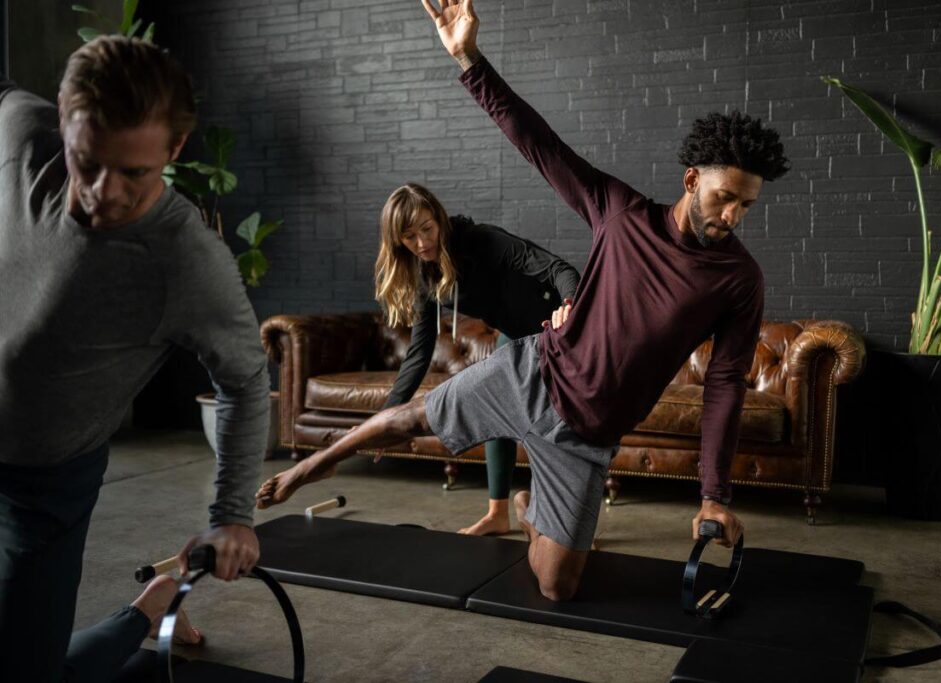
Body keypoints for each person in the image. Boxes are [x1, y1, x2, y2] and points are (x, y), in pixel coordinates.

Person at [256, 0, 789, 602]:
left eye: (746, 204)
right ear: (692, 179)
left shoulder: (739, 279)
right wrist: (469, 59)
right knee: (408, 419)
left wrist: (714, 495)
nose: (732, 215)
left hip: (589, 435)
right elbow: (540, 145)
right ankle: (307, 466)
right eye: (724, 197)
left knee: (556, 586)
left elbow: (724, 383)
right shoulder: (619, 212)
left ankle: (528, 501)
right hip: (532, 372)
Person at [0, 36, 269, 680]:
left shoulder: (186, 262)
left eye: (134, 173)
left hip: (45, 487)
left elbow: (245, 382)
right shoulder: (19, 131)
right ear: (62, 118)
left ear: (173, 151)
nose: (104, 192)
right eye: (86, 162)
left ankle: (144, 615)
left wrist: (231, 515)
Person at [374, 183, 579, 535]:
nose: (422, 243)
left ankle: (567, 526)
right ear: (397, 242)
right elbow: (419, 352)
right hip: (515, 339)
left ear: (438, 218)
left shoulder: (481, 240)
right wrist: (384, 420)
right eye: (410, 237)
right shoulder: (426, 274)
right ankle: (497, 513)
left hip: (559, 333)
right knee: (494, 409)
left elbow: (558, 269)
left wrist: (570, 307)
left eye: (427, 229)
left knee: (560, 429)